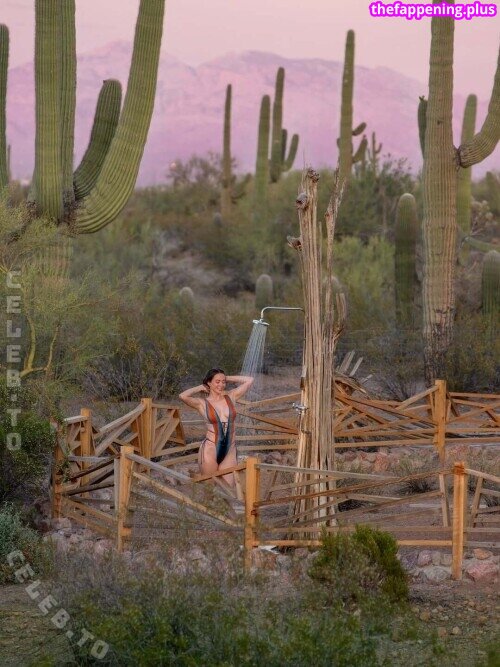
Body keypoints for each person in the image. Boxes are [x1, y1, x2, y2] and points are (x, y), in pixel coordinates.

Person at [179, 369, 253, 485]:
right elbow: (182, 396)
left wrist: (225, 377)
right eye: (217, 382)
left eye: (223, 382)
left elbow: (249, 380)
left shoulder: (231, 397)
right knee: (209, 488)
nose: (221, 385)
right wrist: (200, 387)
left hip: (230, 450)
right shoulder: (202, 403)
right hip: (210, 449)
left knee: (228, 488)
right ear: (209, 383)